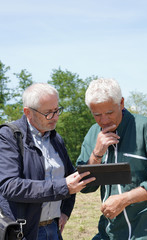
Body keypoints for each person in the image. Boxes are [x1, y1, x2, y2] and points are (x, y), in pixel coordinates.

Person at [0, 83, 95, 240]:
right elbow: (10, 186)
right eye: (48, 113)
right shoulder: (9, 136)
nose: (56, 117)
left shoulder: (55, 138)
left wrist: (65, 212)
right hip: (24, 233)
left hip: (53, 229)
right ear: (28, 112)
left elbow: (70, 177)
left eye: (57, 110)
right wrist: (62, 186)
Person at [76, 78, 147, 240]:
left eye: (109, 113)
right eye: (97, 115)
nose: (104, 120)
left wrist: (125, 199)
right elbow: (85, 187)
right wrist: (97, 154)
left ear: (121, 103)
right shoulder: (93, 134)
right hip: (109, 232)